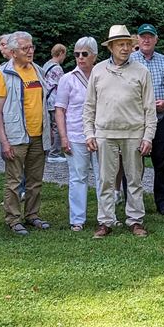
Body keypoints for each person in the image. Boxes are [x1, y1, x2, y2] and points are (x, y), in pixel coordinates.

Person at [84, 25, 156, 238]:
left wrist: (148, 136)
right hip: (105, 133)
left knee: (134, 180)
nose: (125, 48)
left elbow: (149, 107)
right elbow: (89, 105)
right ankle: (105, 221)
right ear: (111, 47)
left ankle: (135, 220)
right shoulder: (97, 71)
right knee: (106, 180)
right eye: (120, 45)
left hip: (133, 132)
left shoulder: (141, 71)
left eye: (127, 44)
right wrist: (89, 133)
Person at [0, 31, 52, 235]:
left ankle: (32, 215)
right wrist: (4, 141)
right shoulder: (4, 74)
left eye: (31, 47)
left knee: (35, 180)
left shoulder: (38, 70)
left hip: (38, 135)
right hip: (16, 136)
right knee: (14, 180)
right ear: (13, 52)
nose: (30, 51)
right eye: (25, 48)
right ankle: (13, 219)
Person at [130, 23, 164, 216]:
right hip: (136, 119)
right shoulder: (129, 60)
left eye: (150, 36)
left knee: (161, 162)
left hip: (161, 117)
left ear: (156, 39)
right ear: (138, 39)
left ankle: (163, 203)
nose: (146, 40)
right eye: (143, 37)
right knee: (133, 163)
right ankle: (133, 202)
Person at [55, 38, 100, 231]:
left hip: (100, 134)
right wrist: (63, 137)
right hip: (75, 133)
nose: (80, 58)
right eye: (76, 54)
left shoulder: (103, 75)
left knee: (103, 177)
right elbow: (59, 110)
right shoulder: (67, 79)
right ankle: (77, 219)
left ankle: (104, 217)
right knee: (77, 177)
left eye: (85, 53)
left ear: (95, 56)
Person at [43, 43, 67, 162]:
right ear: (61, 53)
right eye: (64, 54)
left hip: (46, 100)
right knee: (57, 126)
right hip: (54, 101)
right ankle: (54, 153)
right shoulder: (57, 68)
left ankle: (48, 151)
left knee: (49, 127)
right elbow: (63, 86)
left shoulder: (47, 64)